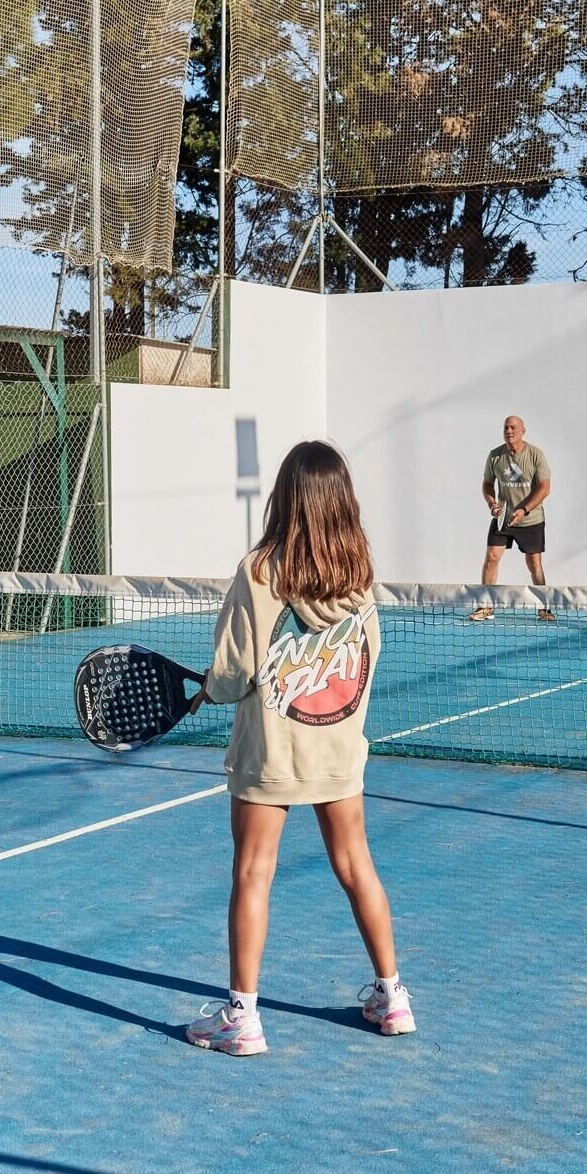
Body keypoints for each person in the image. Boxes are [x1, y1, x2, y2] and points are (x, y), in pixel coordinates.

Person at [183, 440, 412, 1056]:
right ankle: (393, 997)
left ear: (286, 497)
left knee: (253, 872)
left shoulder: (260, 570)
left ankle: (242, 1018)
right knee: (357, 865)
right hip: (338, 751)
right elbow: (367, 656)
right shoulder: (358, 574)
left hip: (272, 755)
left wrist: (211, 689)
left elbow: (234, 670)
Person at [470, 414, 554, 622]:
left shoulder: (535, 455)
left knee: (534, 563)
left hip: (530, 519)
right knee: (491, 558)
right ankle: (486, 606)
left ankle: (544, 608)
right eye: (506, 428)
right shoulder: (495, 456)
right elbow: (487, 484)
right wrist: (492, 503)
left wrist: (524, 510)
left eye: (513, 428)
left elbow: (544, 488)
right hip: (503, 519)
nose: (509, 431)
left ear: (523, 431)